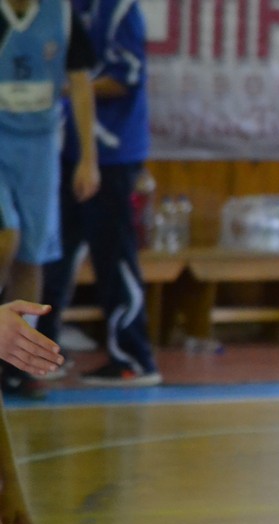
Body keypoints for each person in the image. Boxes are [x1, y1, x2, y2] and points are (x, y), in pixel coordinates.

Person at [38, 0, 160, 387]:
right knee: (53, 254)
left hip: (112, 152)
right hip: (67, 148)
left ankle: (133, 357)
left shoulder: (119, 9)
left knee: (113, 255)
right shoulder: (63, 8)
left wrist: (67, 87)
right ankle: (41, 352)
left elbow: (126, 76)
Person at [0, 0, 100, 398]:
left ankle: (17, 364)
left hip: (40, 146)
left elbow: (80, 84)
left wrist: (89, 159)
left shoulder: (60, 13)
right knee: (6, 237)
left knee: (31, 255)